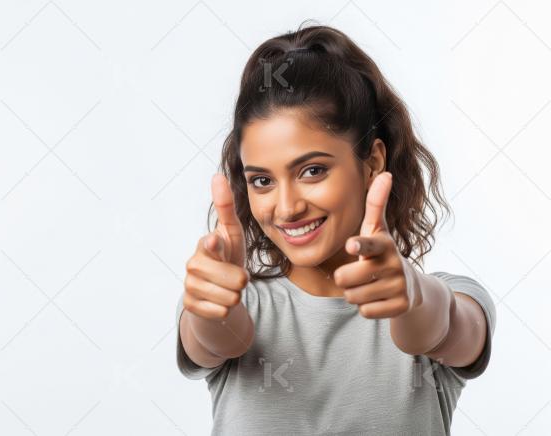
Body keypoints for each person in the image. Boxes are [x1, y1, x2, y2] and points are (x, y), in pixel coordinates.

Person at [175, 22, 496, 435]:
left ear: (373, 162)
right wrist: (209, 309)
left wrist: (413, 295)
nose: (287, 208)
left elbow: (447, 326)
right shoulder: (232, 301)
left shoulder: (450, 297)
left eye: (312, 170)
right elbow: (216, 336)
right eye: (262, 181)